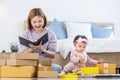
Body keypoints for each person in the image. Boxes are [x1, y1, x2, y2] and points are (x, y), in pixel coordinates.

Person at [19, 8, 62, 73]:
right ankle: (37, 72)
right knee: (22, 69)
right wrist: (32, 49)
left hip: (44, 65)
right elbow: (22, 55)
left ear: (44, 20)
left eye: (40, 21)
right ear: (30, 22)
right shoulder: (25, 34)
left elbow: (53, 55)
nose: (37, 24)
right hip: (30, 64)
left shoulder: (51, 34)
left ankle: (36, 72)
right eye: (34, 22)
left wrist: (42, 50)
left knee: (58, 68)